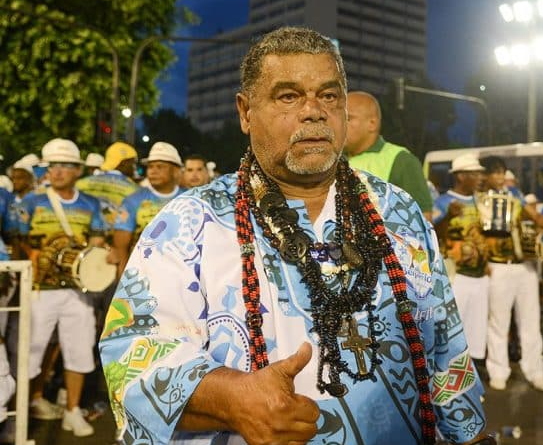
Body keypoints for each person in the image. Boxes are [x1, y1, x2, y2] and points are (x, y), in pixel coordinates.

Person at [100, 27, 489, 445]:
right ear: (246, 112)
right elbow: (130, 360)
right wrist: (231, 399)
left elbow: (445, 346)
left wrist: (473, 435)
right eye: (288, 96)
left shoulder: (398, 212)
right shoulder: (188, 222)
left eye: (328, 95)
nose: (313, 111)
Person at [18, 138, 106, 436]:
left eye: (64, 166)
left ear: (77, 170)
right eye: (52, 166)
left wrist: (99, 256)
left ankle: (72, 410)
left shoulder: (90, 204)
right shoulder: (31, 202)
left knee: (79, 351)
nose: (56, 171)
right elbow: (15, 238)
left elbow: (97, 242)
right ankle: (24, 410)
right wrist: (30, 256)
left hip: (78, 292)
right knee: (31, 350)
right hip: (40, 289)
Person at [479, 156, 543, 392]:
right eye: (495, 172)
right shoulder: (478, 200)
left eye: (502, 172)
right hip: (498, 265)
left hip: (524, 265)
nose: (500, 177)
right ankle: (498, 370)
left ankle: (535, 371)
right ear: (485, 175)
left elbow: (532, 216)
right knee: (499, 322)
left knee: (531, 321)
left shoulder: (515, 196)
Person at [432, 154, 489, 368]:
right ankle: (449, 379)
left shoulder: (481, 201)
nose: (480, 178)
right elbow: (434, 234)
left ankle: (470, 381)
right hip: (457, 277)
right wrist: (448, 216)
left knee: (476, 332)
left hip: (481, 275)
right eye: (475, 174)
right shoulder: (443, 201)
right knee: (453, 331)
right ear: (461, 176)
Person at [344, 91, 434, 218]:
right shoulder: (331, 158)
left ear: (372, 124)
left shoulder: (402, 161)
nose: (340, 125)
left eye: (348, 118)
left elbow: (423, 219)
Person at [110, 141, 185, 276]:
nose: (153, 171)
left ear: (176, 171)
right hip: (143, 276)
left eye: (160, 166)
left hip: (181, 276)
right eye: (150, 166)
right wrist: (124, 283)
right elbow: (121, 248)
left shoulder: (189, 198)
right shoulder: (132, 201)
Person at [76, 141, 141, 233]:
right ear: (123, 163)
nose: (134, 168)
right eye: (133, 163)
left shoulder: (81, 183)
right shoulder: (135, 190)